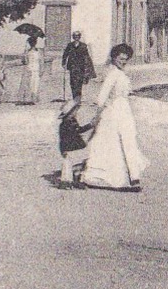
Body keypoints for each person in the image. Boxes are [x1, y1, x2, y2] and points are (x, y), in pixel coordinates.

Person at [81, 44, 148, 191]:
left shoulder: (120, 73)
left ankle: (132, 176)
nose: (123, 62)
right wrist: (98, 116)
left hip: (124, 110)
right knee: (112, 143)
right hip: (113, 112)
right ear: (113, 58)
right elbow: (102, 97)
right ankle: (113, 176)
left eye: (125, 59)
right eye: (120, 59)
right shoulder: (112, 73)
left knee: (128, 139)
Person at [60, 31, 96, 101]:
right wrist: (63, 63)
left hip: (80, 67)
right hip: (72, 67)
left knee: (79, 82)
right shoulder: (70, 45)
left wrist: (88, 66)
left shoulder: (83, 45)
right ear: (73, 37)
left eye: (78, 36)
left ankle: (78, 97)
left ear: (79, 37)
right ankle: (74, 96)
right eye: (75, 36)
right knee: (72, 82)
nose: (76, 38)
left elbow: (86, 56)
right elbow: (65, 55)